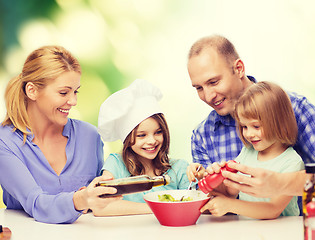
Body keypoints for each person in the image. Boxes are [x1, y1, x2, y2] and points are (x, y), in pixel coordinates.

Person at [0, 46, 120, 224]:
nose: (73, 101)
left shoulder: (90, 136)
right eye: (63, 92)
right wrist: (81, 198)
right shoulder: (6, 142)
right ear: (32, 91)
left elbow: (99, 203)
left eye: (75, 91)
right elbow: (36, 203)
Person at [186, 35, 315, 198]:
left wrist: (280, 183)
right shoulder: (202, 136)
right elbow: (210, 203)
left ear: (239, 68)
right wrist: (206, 181)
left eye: (214, 82)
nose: (208, 96)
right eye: (199, 88)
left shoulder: (296, 109)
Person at [199, 81, 304, 219]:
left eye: (256, 126)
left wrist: (229, 205)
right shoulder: (247, 152)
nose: (248, 134)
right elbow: (231, 191)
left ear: (279, 122)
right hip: (248, 231)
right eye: (244, 127)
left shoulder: (292, 161)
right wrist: (214, 179)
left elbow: (273, 210)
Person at [94, 79, 190, 216]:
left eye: (158, 132)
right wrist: (159, 208)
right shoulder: (116, 164)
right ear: (127, 139)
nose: (152, 141)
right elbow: (101, 206)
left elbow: (194, 204)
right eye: (141, 135)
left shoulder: (179, 169)